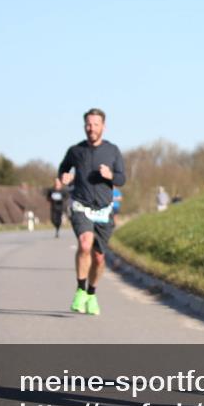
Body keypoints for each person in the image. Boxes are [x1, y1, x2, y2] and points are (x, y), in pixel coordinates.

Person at [57, 108, 126, 316]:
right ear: (84, 126)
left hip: (104, 212)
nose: (91, 128)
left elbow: (122, 179)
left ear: (103, 126)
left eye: (95, 124)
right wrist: (64, 177)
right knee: (85, 243)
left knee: (99, 258)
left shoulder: (113, 151)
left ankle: (91, 293)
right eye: (88, 124)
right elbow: (63, 169)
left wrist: (110, 175)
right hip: (81, 206)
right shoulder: (75, 151)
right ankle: (80, 290)